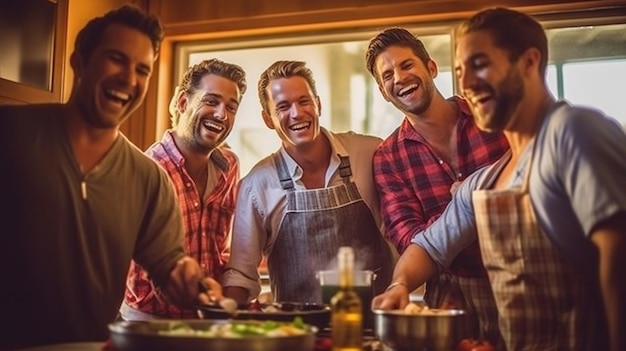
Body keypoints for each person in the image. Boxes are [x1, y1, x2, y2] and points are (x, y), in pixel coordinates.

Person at [372, 7, 625, 351]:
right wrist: (398, 285)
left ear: (529, 63)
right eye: (461, 70)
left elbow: (618, 258)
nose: (467, 83)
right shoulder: (485, 182)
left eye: (481, 64)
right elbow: (429, 246)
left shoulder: (572, 132)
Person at [0, 5, 222, 349]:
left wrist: (187, 278)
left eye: (142, 70)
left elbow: (168, 264)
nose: (128, 79)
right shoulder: (11, 133)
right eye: (116, 59)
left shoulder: (149, 177)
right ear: (79, 62)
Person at [365, 27, 509, 344]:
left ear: (431, 68)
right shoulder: (388, 157)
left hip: (521, 276)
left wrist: (472, 199)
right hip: (450, 295)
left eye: (406, 65)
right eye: (387, 75)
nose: (399, 78)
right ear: (383, 91)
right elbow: (406, 234)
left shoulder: (492, 115)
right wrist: (463, 209)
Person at [221, 60, 396, 304]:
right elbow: (240, 275)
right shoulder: (256, 185)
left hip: (376, 330)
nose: (296, 113)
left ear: (318, 105)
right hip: (296, 335)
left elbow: (406, 226)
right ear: (268, 119)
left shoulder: (370, 152)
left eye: (304, 101)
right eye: (283, 106)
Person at [121, 58, 246, 320]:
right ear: (181, 103)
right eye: (211, 101)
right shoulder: (147, 169)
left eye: (231, 107)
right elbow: (129, 262)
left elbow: (220, 247)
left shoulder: (229, 167)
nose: (221, 115)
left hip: (207, 318)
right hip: (149, 323)